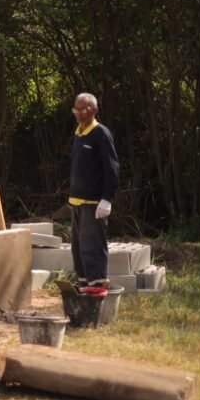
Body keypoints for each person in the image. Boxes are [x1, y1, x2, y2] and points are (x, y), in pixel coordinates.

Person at [68, 92, 119, 289]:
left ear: (95, 110)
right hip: (76, 202)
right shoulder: (78, 133)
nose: (79, 113)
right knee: (78, 250)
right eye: (76, 109)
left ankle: (97, 289)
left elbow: (111, 167)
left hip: (93, 203)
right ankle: (83, 288)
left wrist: (107, 198)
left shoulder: (101, 134)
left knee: (93, 250)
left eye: (84, 109)